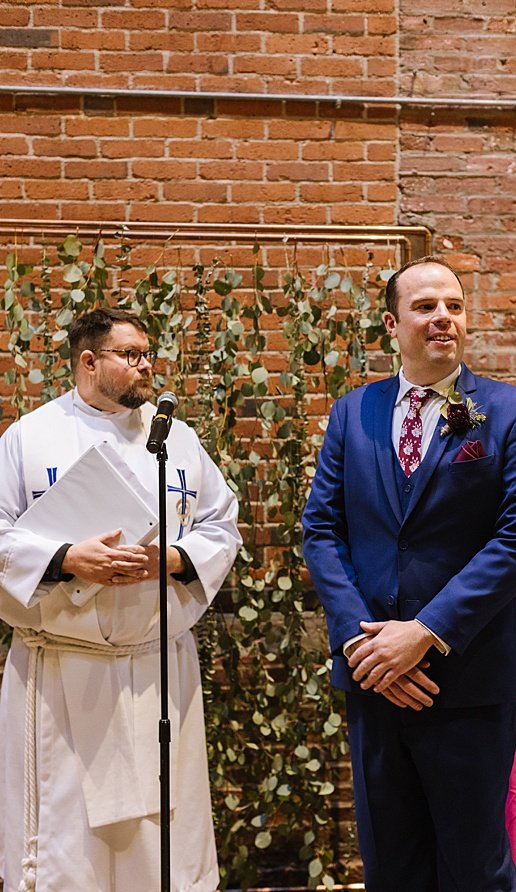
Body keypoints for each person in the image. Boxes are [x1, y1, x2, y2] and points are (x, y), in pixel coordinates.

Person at [302, 255, 516, 890]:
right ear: (392, 324)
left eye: (453, 305)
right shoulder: (352, 414)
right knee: (391, 864)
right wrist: (364, 643)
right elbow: (322, 530)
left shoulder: (513, 413)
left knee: (474, 865)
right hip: (372, 676)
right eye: (425, 307)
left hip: (465, 676)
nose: (443, 317)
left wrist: (423, 630)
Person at [0, 308, 241, 891]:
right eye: (130, 355)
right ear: (88, 362)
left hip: (156, 670)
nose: (146, 365)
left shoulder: (173, 438)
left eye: (148, 353)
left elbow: (221, 525)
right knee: (68, 847)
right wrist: (65, 559)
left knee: (163, 839)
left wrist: (173, 560)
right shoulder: (30, 437)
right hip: (63, 668)